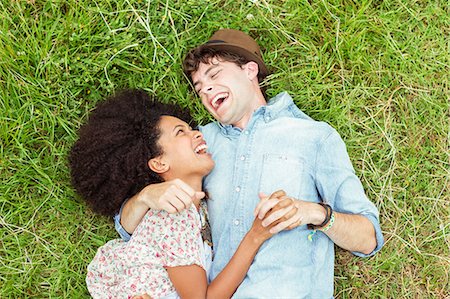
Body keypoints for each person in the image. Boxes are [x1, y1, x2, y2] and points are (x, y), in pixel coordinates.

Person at [115, 29, 385, 297]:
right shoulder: (201, 144)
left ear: (250, 70)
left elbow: (368, 238)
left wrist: (315, 214)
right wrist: (146, 196)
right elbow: (130, 230)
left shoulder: (313, 136)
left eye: (215, 74)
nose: (206, 89)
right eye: (199, 88)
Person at [69, 89, 293, 298]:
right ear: (159, 163)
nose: (196, 133)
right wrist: (256, 235)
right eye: (180, 132)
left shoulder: (195, 206)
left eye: (190, 128)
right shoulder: (174, 218)